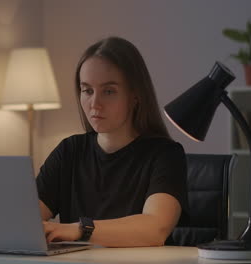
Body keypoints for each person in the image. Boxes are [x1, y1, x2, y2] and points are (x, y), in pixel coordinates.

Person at [36, 36, 188, 247]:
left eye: (109, 91)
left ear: (135, 95)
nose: (94, 104)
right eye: (87, 90)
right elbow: (26, 221)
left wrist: (79, 230)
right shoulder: (69, 151)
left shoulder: (165, 154)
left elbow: (155, 228)